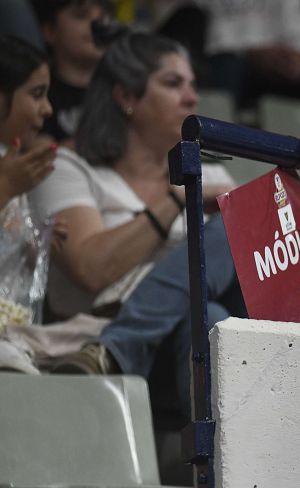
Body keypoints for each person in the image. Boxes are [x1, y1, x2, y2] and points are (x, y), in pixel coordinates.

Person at [32, 29, 235, 414]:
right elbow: (91, 269)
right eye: (173, 83)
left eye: (193, 85)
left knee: (215, 307)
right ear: (125, 96)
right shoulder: (67, 169)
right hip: (89, 332)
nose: (192, 98)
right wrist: (177, 198)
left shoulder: (216, 178)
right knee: (212, 316)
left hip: (184, 347)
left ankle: (113, 350)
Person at [0, 35, 57, 330]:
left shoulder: (17, 164)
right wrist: (6, 186)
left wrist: (38, 241)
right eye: (36, 94)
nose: (47, 109)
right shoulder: (13, 173)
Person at [31, 0, 111, 144]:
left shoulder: (122, 86)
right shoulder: (39, 93)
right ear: (50, 31)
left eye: (103, 18)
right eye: (81, 16)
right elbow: (42, 155)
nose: (98, 25)